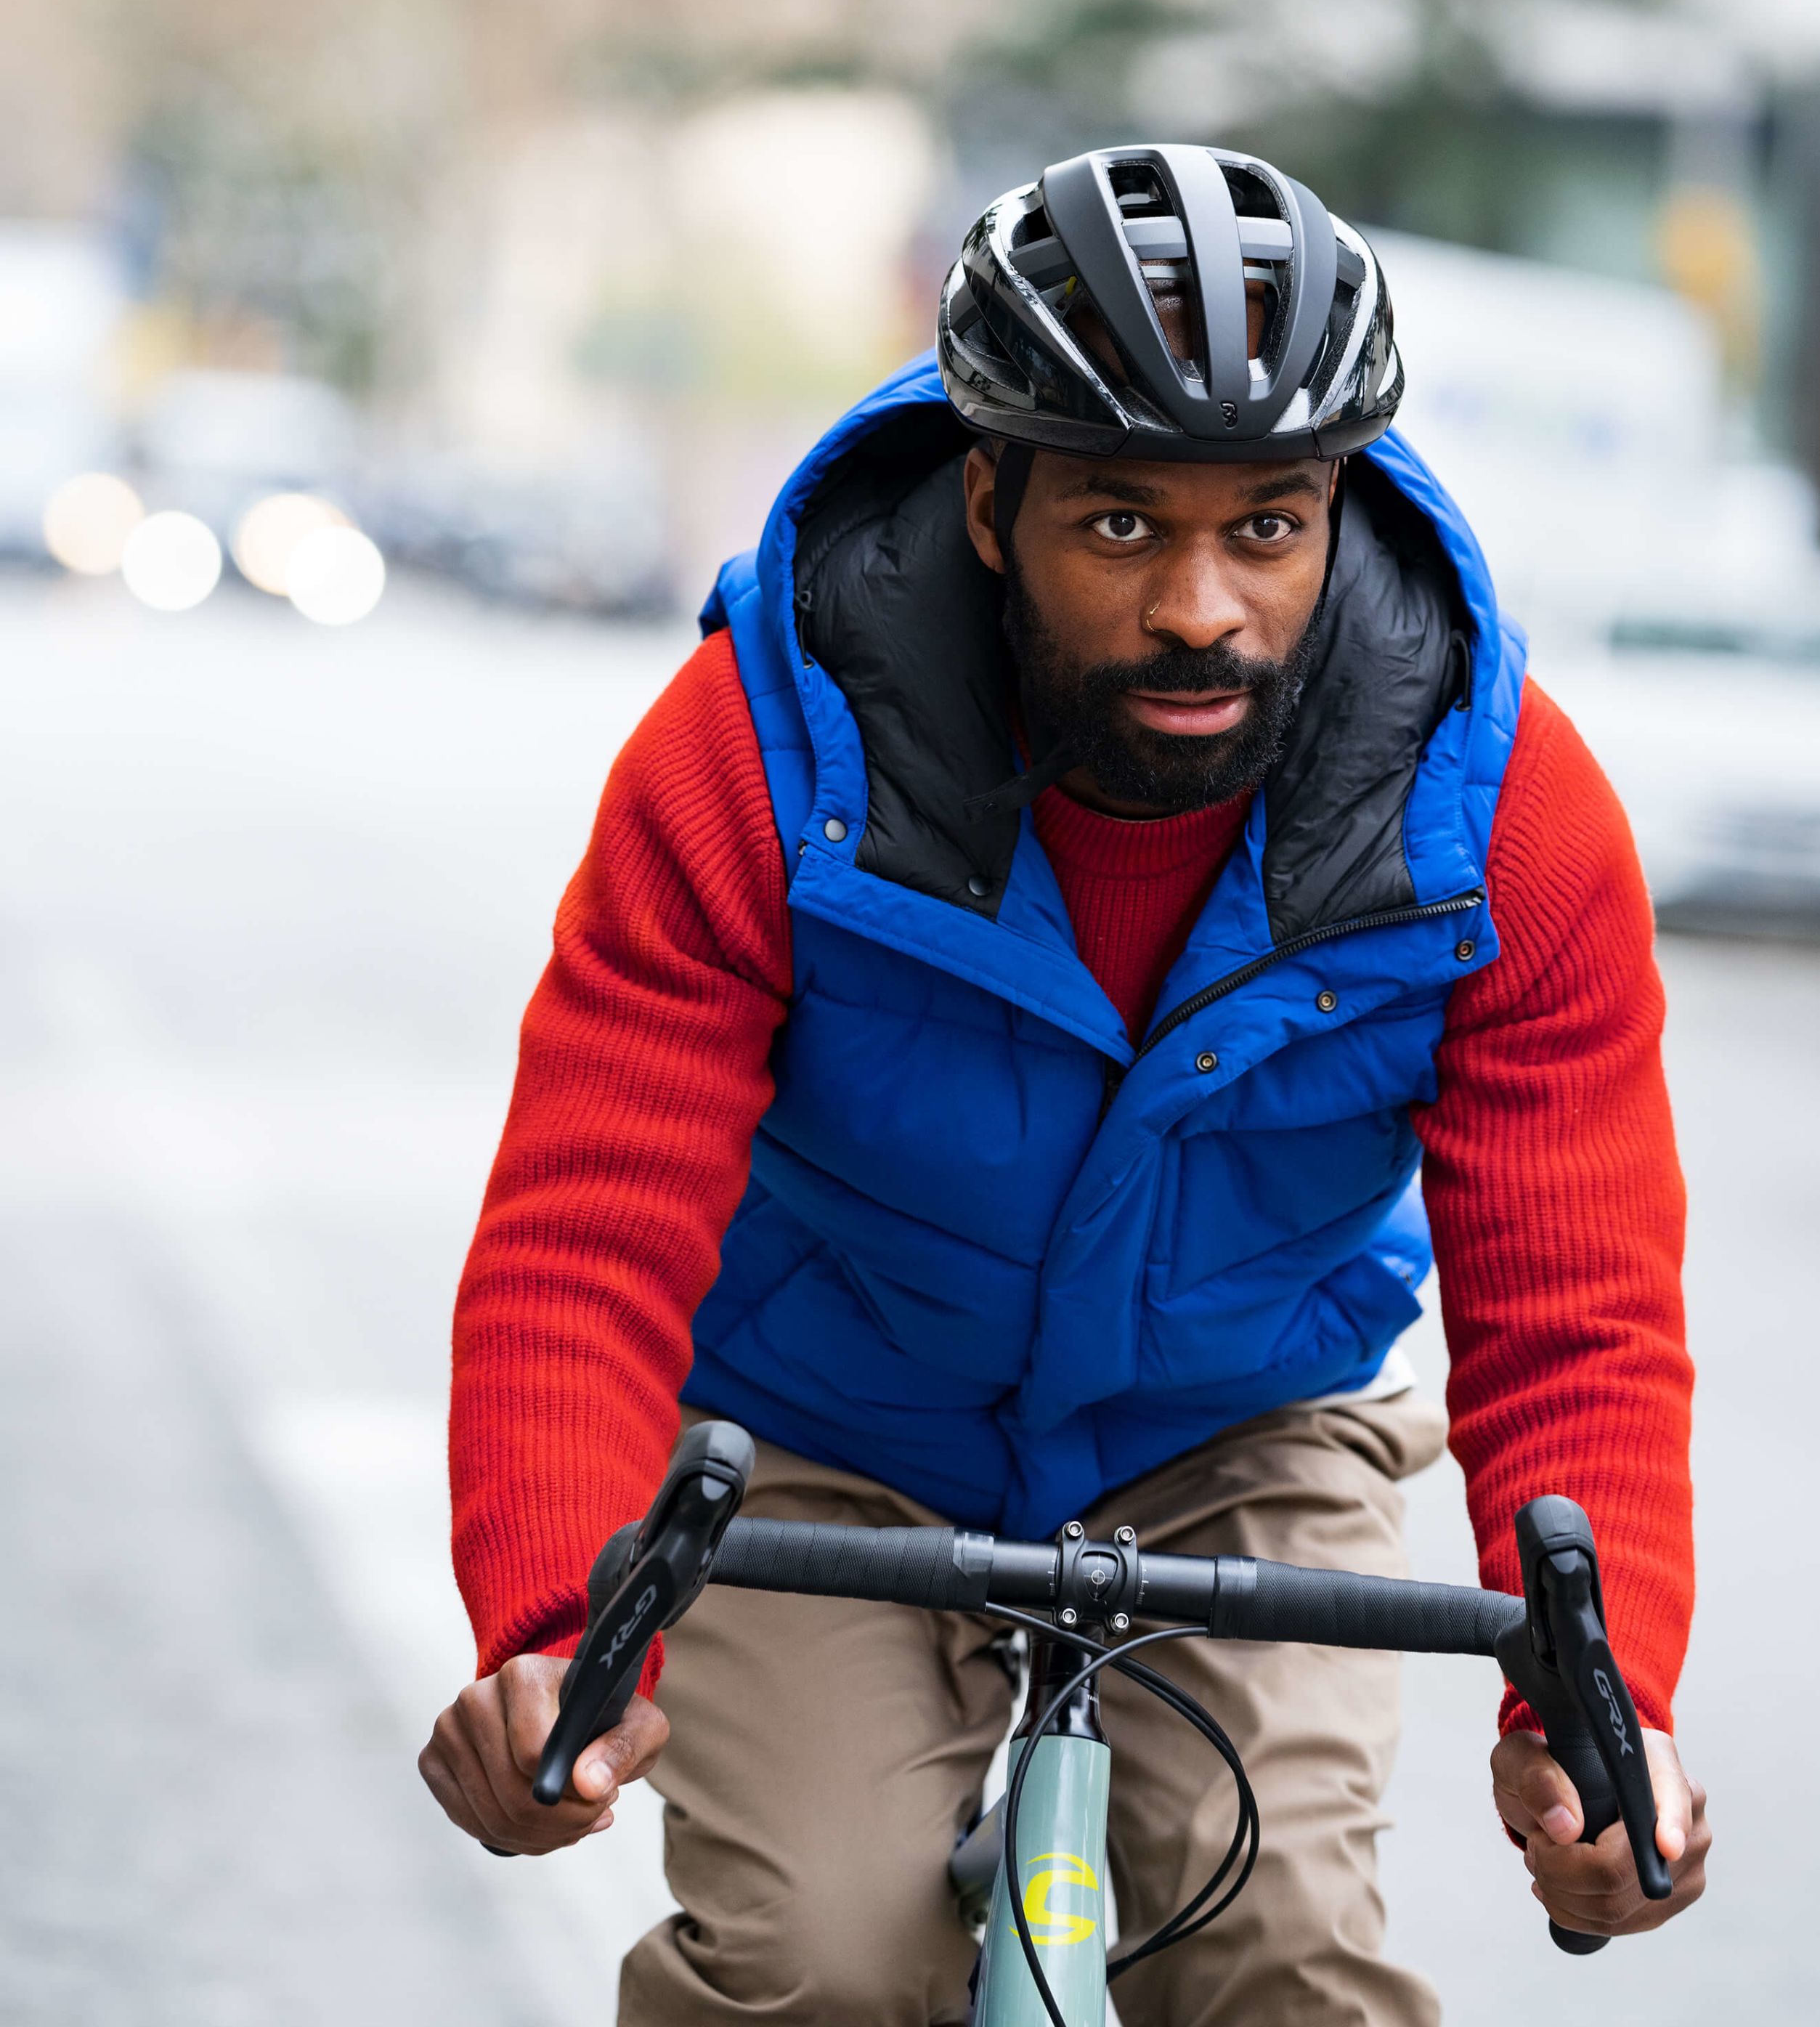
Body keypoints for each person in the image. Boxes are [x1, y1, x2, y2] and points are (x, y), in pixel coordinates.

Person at [421, 143, 1707, 2025]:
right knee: (827, 1958)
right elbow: (584, 1234)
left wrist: (1602, 1708)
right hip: (818, 1444)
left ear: (1338, 510)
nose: (1204, 604)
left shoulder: (1499, 811)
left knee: (1281, 1960)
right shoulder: (759, 757)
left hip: (1243, 1439)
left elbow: (1578, 1304)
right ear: (989, 500)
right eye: (1122, 526)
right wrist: (550, 1628)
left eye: (1268, 526)